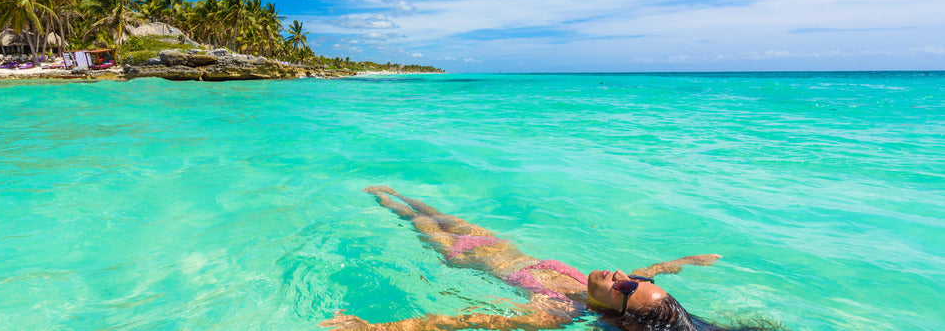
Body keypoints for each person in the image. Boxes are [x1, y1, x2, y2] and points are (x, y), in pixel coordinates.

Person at [322, 186, 770, 331]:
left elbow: (468, 321)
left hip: (462, 255)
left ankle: (381, 199)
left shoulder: (558, 310)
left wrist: (377, 327)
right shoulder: (620, 285)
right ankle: (383, 187)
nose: (621, 276)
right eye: (627, 278)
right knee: (431, 208)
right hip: (496, 242)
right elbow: (651, 270)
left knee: (410, 217)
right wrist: (688, 260)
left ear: (618, 314)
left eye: (626, 288)